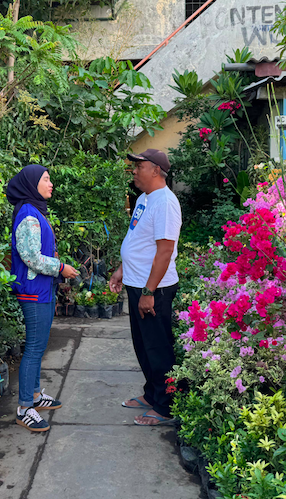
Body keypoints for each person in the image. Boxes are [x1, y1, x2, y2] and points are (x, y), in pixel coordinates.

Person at [109, 149, 182, 426]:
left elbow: (165, 251)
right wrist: (122, 269)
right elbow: (136, 239)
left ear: (155, 170)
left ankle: (165, 407)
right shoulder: (144, 199)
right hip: (137, 283)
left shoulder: (166, 202)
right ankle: (152, 394)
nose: (134, 170)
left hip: (154, 290)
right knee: (143, 346)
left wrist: (149, 292)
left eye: (139, 166)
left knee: (158, 348)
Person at [7, 164, 79, 432]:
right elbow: (31, 258)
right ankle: (25, 408)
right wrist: (61, 268)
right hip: (33, 292)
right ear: (31, 183)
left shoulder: (35, 211)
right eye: (46, 179)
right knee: (34, 349)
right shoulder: (28, 214)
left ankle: (35, 396)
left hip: (42, 290)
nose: (51, 184)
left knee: (39, 347)